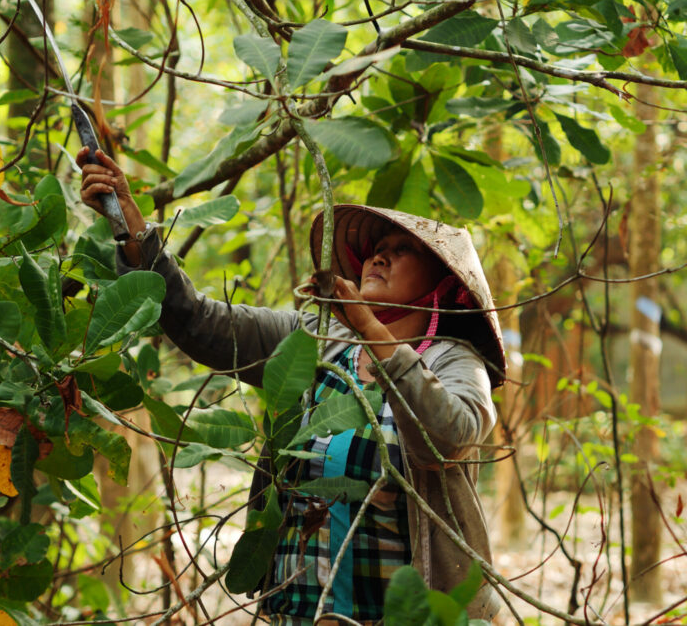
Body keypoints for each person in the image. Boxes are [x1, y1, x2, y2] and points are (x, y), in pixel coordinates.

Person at [78, 148, 506, 622]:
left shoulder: (455, 361)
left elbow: (447, 436)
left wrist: (368, 324)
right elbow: (199, 322)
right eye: (374, 249)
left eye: (402, 249)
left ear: (443, 284)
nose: (378, 256)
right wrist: (133, 228)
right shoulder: (317, 340)